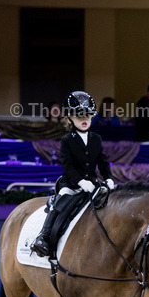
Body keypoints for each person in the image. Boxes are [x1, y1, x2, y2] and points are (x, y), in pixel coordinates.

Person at [31, 91, 116, 258]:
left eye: (87, 116)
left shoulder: (96, 139)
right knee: (61, 201)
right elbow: (68, 166)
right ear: (69, 119)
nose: (84, 120)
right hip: (71, 184)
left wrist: (108, 178)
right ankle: (44, 236)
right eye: (79, 116)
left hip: (93, 184)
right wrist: (80, 182)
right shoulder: (67, 140)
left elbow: (103, 161)